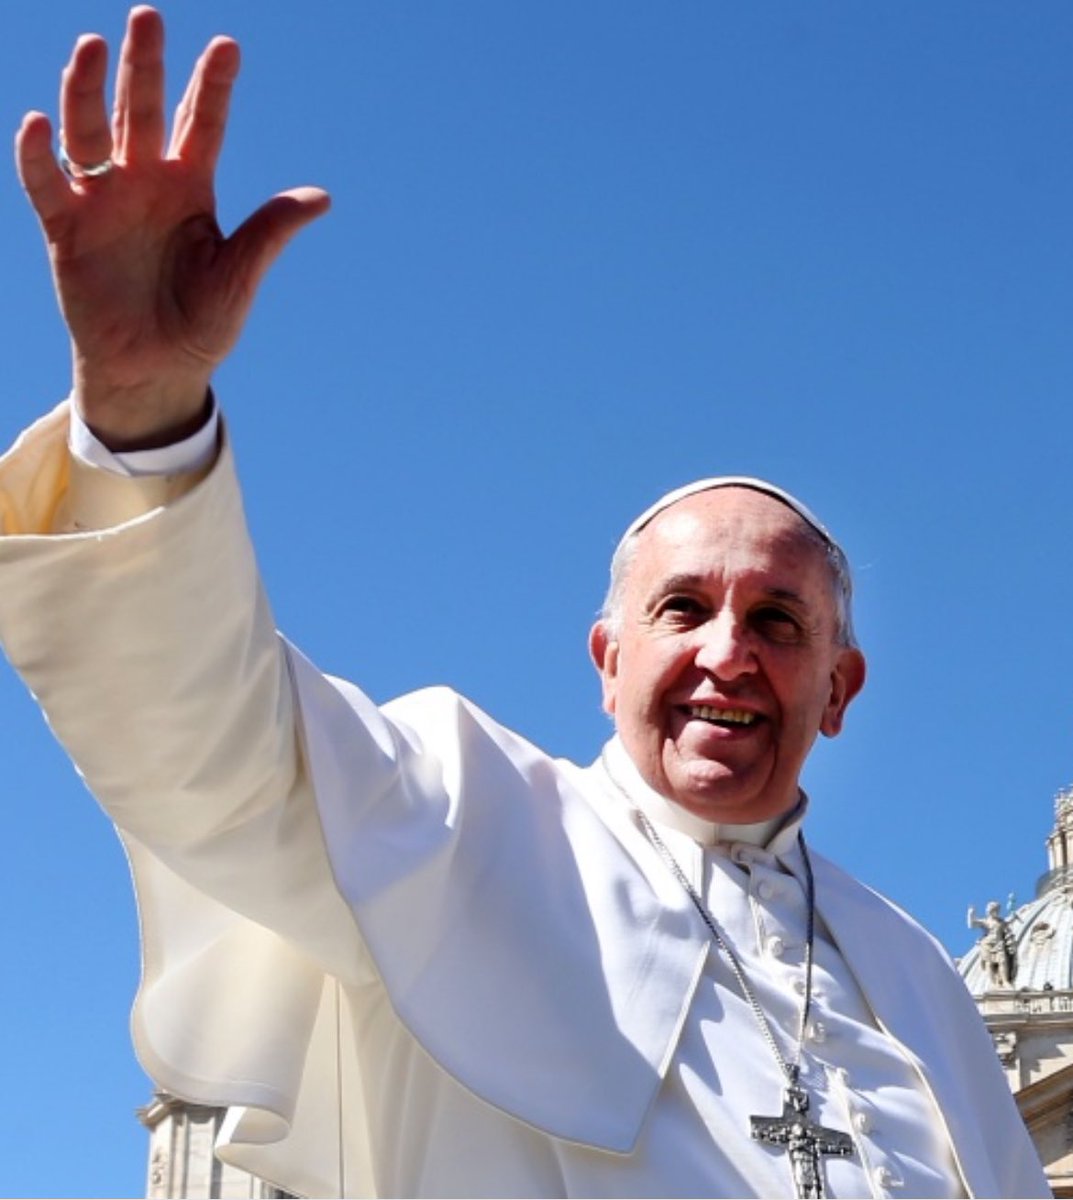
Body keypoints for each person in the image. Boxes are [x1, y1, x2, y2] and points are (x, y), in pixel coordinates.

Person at [0, 9, 1049, 1199]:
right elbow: (209, 743)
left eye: (776, 621)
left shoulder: (918, 983)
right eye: (682, 609)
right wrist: (143, 414)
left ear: (838, 688)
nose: (727, 654)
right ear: (604, 661)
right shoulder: (459, 822)